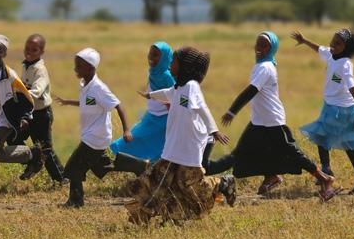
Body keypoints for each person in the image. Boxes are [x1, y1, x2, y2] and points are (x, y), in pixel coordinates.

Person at [206, 31, 337, 200]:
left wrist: (232, 111)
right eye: (258, 44)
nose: (259, 48)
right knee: (240, 154)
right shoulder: (263, 65)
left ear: (272, 48)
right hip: (259, 121)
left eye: (264, 45)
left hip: (272, 120)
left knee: (291, 151)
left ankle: (325, 179)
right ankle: (271, 176)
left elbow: (251, 91)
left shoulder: (265, 67)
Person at [125, 47, 236, 224]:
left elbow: (202, 108)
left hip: (189, 146)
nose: (170, 64)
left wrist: (214, 130)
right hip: (173, 146)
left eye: (174, 61)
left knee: (188, 183)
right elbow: (167, 92)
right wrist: (149, 95)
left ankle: (221, 183)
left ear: (184, 66)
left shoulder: (191, 87)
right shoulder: (178, 88)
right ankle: (163, 216)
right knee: (159, 179)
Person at [56, 47, 149, 208]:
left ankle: (75, 201)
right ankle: (138, 165)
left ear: (91, 68)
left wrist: (126, 130)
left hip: (96, 136)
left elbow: (118, 106)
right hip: (93, 135)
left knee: (73, 167)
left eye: (79, 65)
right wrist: (67, 102)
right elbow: (87, 102)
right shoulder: (85, 84)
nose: (75, 69)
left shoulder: (99, 87)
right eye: (75, 65)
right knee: (102, 165)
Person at [292, 28, 354, 195]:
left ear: (347, 48)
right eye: (333, 40)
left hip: (341, 109)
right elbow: (320, 49)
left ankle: (326, 172)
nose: (333, 45)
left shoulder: (345, 64)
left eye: (338, 43)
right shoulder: (331, 54)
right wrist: (305, 40)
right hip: (332, 106)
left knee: (322, 136)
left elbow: (352, 85)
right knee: (347, 143)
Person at [0, 34, 39, 195]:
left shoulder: (10, 75)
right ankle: (30, 154)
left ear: (4, 53)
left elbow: (27, 98)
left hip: (4, 121)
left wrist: (25, 117)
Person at [109, 42, 175, 162]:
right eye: (150, 54)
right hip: (152, 115)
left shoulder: (167, 76)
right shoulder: (153, 71)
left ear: (164, 57)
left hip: (163, 119)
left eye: (155, 55)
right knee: (142, 139)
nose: (151, 57)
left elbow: (174, 94)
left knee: (139, 138)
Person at [14, 33, 65, 184]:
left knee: (45, 149)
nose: (29, 51)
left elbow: (36, 91)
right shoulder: (25, 65)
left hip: (42, 114)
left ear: (42, 52)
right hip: (28, 113)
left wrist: (19, 94)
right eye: (27, 48)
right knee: (13, 137)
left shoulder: (40, 70)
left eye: (34, 49)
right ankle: (33, 161)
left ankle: (61, 178)